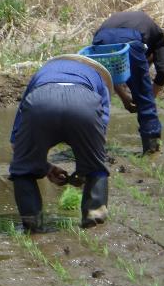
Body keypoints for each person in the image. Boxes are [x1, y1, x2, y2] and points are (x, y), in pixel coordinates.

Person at [9, 55, 113, 231]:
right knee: (96, 168)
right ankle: (95, 220)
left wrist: (45, 167)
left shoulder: (42, 73)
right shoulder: (97, 78)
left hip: (41, 102)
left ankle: (32, 223)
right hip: (84, 104)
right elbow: (100, 131)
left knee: (23, 170)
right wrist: (84, 172)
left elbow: (15, 140)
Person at [92, 10, 164, 154]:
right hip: (130, 38)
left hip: (100, 39)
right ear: (151, 55)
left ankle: (92, 147)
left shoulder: (142, 26)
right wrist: (149, 97)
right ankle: (152, 149)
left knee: (99, 99)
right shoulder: (158, 37)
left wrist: (124, 98)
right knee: (146, 102)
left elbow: (110, 73)